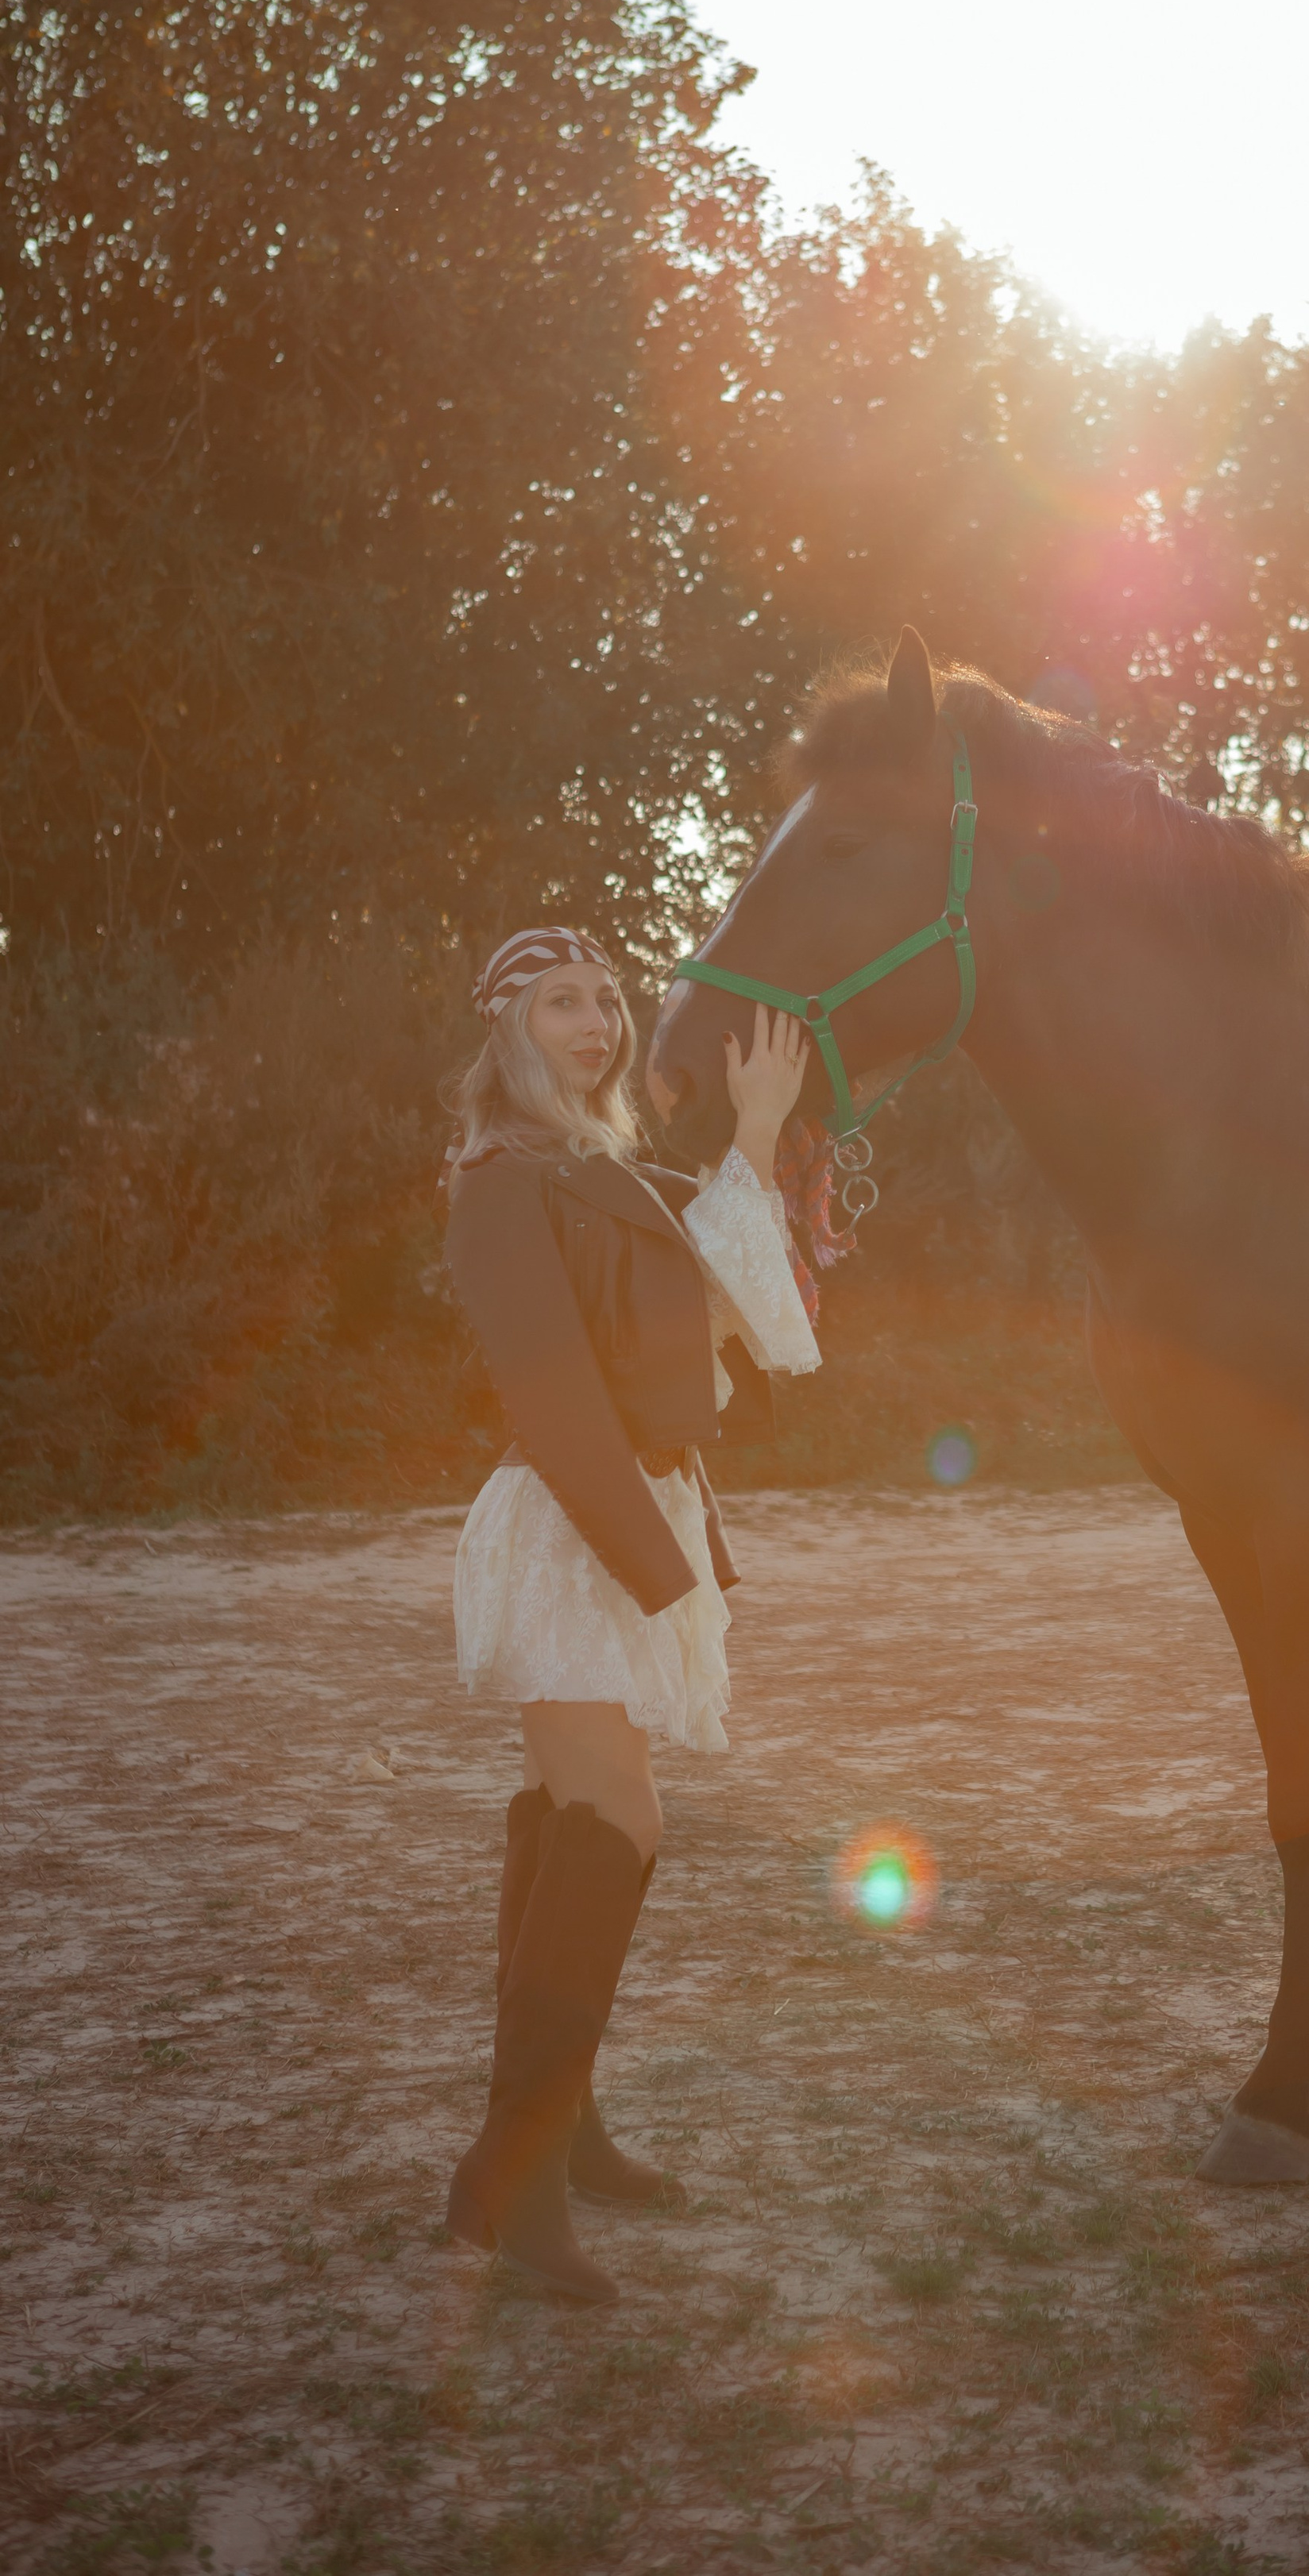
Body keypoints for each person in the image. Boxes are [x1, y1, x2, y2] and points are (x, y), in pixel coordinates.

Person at [440, 926, 818, 2304]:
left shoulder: (600, 1170)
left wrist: (762, 1126)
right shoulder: (503, 1180)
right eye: (559, 1003)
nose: (594, 1022)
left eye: (605, 998)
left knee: (562, 1816)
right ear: (506, 1027)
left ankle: (560, 2132)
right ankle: (516, 2173)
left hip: (626, 1514)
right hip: (570, 1522)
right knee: (616, 1821)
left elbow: (728, 1286)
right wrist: (653, 1566)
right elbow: (547, 1393)